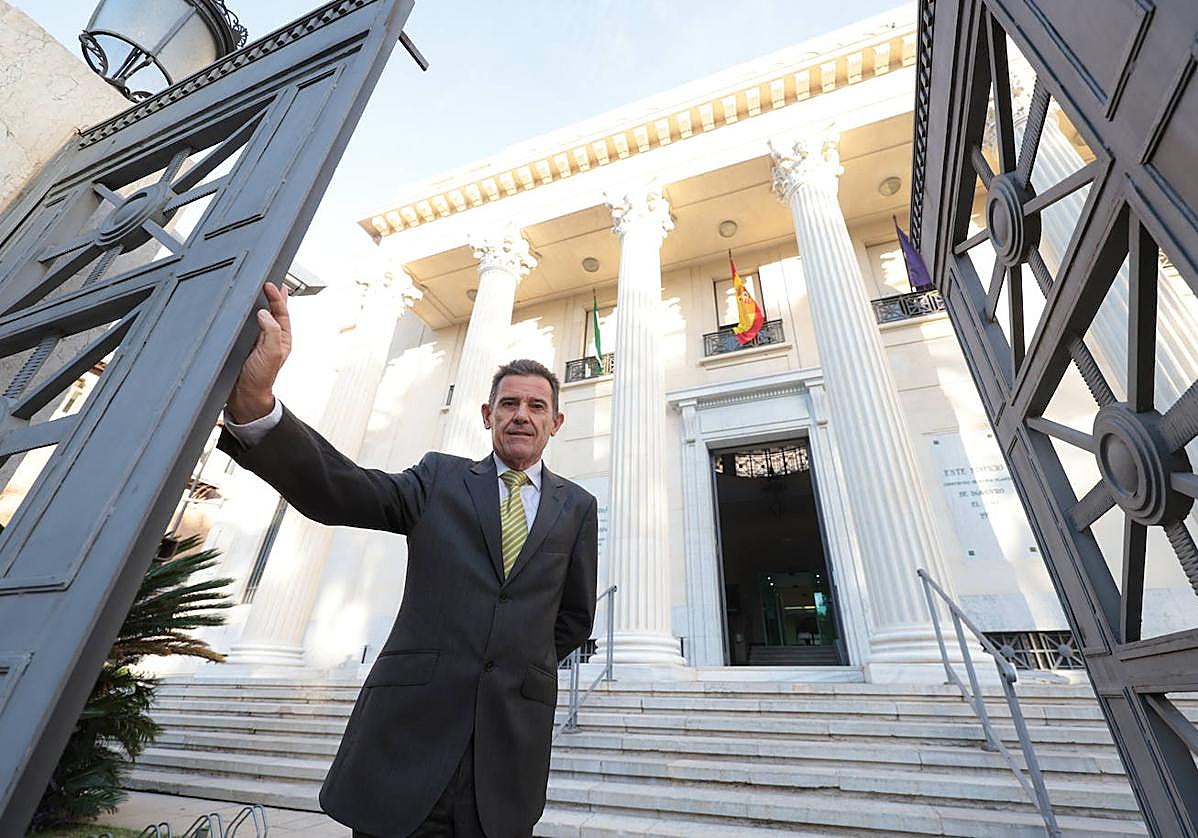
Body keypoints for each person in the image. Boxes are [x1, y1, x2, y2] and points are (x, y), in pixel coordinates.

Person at [219, 282, 599, 838]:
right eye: (510, 404)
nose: (522, 415)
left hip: (505, 758)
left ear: (555, 423)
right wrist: (257, 407)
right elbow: (342, 492)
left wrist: (517, 664)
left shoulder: (578, 507)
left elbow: (572, 618)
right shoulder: (439, 478)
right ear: (488, 415)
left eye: (536, 406)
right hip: (405, 748)